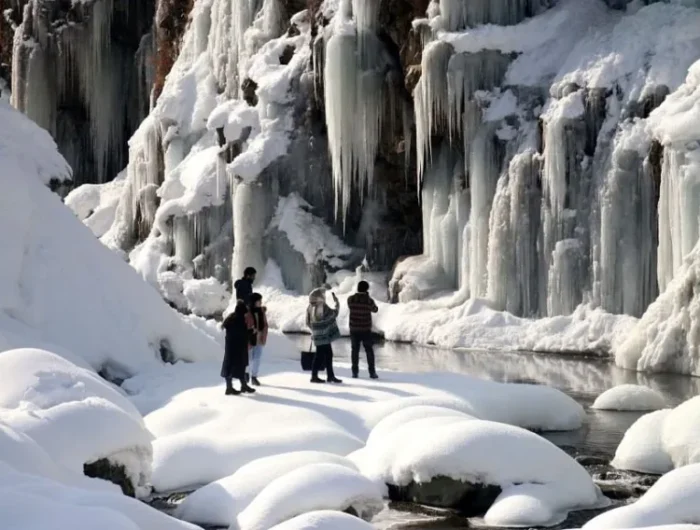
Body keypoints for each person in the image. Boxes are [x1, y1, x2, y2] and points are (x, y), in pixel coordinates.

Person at [306, 288, 342, 384]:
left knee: (324, 355)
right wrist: (337, 303)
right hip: (324, 336)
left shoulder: (309, 307)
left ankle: (329, 375)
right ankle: (317, 376)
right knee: (322, 355)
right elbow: (334, 314)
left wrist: (315, 330)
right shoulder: (323, 306)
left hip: (317, 336)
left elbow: (308, 322)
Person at [221, 300, 256, 395]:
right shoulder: (239, 320)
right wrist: (250, 332)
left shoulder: (231, 318)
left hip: (231, 347)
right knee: (240, 366)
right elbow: (241, 334)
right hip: (238, 348)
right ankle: (240, 386)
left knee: (230, 367)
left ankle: (232, 387)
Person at [347, 280, 379, 379]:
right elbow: (375, 309)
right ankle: (372, 372)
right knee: (369, 350)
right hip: (365, 329)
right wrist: (367, 297)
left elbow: (350, 306)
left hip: (354, 329)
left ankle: (355, 372)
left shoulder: (351, 299)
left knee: (354, 351)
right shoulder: (369, 300)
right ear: (367, 289)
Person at [249, 292, 268, 386]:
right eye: (258, 300)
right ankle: (245, 375)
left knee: (257, 358)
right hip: (249, 338)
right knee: (248, 358)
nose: (260, 302)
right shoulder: (247, 311)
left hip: (259, 337)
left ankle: (254, 376)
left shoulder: (261, 311)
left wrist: (264, 334)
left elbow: (265, 324)